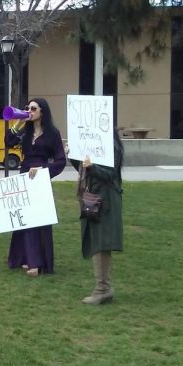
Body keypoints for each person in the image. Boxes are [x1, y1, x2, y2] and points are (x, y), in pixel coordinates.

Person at [4, 98, 67, 276]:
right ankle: (23, 258)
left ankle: (37, 263)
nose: (29, 111)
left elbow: (61, 161)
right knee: (23, 218)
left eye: (33, 108)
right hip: (24, 174)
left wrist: (43, 170)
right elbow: (8, 142)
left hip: (40, 177)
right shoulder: (26, 130)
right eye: (28, 108)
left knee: (38, 220)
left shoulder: (52, 133)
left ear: (42, 112)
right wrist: (18, 122)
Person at [67, 130, 124, 304]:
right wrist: (74, 156)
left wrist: (92, 166)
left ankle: (103, 289)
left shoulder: (111, 146)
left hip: (105, 201)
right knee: (96, 241)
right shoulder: (94, 143)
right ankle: (103, 287)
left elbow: (109, 175)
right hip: (94, 199)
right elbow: (84, 169)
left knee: (101, 243)